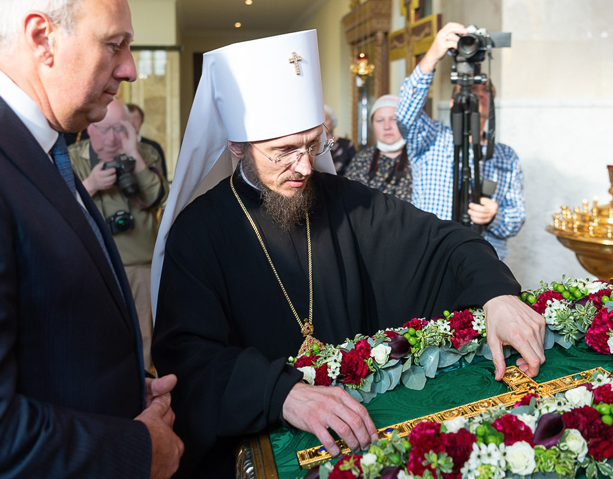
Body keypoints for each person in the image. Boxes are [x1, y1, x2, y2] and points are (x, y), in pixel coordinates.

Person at [151, 30, 545, 477]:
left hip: (359, 436)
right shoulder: (198, 232)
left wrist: (497, 295)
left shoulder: (346, 202)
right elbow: (187, 357)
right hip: (260, 445)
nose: (303, 167)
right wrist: (279, 393)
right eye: (283, 152)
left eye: (312, 144)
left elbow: (444, 243)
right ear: (237, 147)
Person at [0, 0, 183, 477]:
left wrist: (116, 390)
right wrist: (137, 450)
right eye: (114, 45)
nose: (130, 68)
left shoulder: (32, 137)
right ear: (41, 37)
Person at [396, 22, 526, 260]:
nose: (475, 91)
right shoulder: (430, 137)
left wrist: (494, 216)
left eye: (483, 88)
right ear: (454, 102)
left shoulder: (506, 156)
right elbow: (405, 114)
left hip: (485, 260)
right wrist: (432, 56)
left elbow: (516, 219)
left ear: (492, 101)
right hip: (432, 255)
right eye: (468, 88)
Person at [69, 99, 169, 372]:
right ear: (89, 128)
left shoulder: (146, 153)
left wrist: (134, 156)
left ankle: (145, 398)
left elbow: (160, 199)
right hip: (95, 264)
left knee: (144, 339)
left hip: (140, 265)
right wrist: (90, 185)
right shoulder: (73, 157)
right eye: (103, 129)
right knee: (98, 334)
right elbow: (58, 208)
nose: (112, 138)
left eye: (119, 129)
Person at [345, 95, 412, 202]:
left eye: (394, 119)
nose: (387, 126)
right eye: (380, 120)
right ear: (372, 125)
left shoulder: (417, 158)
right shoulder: (361, 159)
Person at [127, 103, 169, 180]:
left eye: (136, 117)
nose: (132, 122)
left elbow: (162, 178)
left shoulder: (154, 147)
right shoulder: (115, 145)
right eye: (128, 117)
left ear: (141, 121)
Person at [324, 104, 356, 175]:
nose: (323, 123)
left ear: (333, 121)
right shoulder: (313, 145)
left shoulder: (346, 144)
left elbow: (354, 170)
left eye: (325, 119)